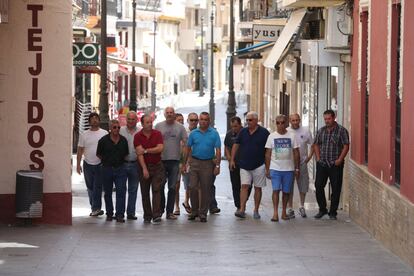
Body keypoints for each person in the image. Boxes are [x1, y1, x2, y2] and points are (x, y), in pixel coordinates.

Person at [182, 112, 221, 222]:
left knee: (205, 188)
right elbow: (188, 148)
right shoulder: (194, 133)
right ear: (199, 120)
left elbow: (218, 150)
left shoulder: (214, 133)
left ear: (209, 121)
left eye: (206, 119)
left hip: (208, 163)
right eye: (201, 119)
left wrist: (217, 165)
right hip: (195, 162)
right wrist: (184, 164)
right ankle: (194, 211)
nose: (203, 121)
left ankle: (203, 213)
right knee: (192, 186)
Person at [231, 111, 269, 219]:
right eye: (247, 120)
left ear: (256, 120)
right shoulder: (243, 132)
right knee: (244, 186)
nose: (248, 122)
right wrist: (232, 160)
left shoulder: (264, 132)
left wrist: (268, 166)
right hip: (244, 164)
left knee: (258, 188)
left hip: (259, 165)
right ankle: (242, 209)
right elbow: (236, 145)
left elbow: (269, 150)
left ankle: (256, 210)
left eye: (250, 120)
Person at [314, 109, 349, 220]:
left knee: (336, 188)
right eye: (325, 119)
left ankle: (333, 212)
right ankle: (322, 209)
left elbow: (346, 146)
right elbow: (316, 144)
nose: (327, 121)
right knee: (318, 186)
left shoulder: (342, 131)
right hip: (322, 163)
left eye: (329, 119)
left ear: (334, 118)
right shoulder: (321, 131)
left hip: (336, 164)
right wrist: (318, 158)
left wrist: (340, 159)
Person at [265, 115, 300, 221]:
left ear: (286, 124)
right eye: (278, 123)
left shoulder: (292, 135)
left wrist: (297, 168)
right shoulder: (271, 136)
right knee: (275, 190)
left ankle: (284, 212)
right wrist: (267, 169)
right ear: (275, 123)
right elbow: (268, 154)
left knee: (286, 192)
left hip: (288, 169)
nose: (280, 125)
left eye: (282, 122)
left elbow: (296, 153)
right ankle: (275, 213)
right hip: (275, 168)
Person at [155, 107, 188, 220]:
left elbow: (186, 144)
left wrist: (183, 162)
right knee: (160, 186)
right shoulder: (158, 126)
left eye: (171, 113)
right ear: (164, 114)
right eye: (167, 113)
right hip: (161, 161)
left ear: (174, 114)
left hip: (175, 161)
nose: (169, 114)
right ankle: (160, 210)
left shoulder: (180, 127)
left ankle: (170, 212)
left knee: (172, 187)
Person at [96, 119, 129, 222]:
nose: (117, 129)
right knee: (108, 193)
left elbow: (126, 153)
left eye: (118, 127)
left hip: (120, 168)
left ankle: (120, 214)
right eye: (114, 127)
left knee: (121, 192)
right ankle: (109, 213)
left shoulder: (123, 140)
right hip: (107, 169)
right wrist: (107, 161)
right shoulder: (103, 140)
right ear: (110, 128)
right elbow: (98, 154)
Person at [134, 114, 165, 224]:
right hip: (144, 166)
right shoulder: (137, 136)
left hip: (157, 166)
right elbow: (139, 153)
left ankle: (156, 214)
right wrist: (144, 169)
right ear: (142, 124)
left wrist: (146, 150)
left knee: (156, 190)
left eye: (151, 122)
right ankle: (147, 215)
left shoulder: (157, 134)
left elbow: (160, 148)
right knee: (145, 192)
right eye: (147, 122)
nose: (150, 124)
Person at [76, 112, 108, 216]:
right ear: (89, 121)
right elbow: (80, 150)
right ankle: (94, 207)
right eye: (92, 118)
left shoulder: (104, 133)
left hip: (100, 164)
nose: (94, 120)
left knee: (97, 187)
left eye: (96, 118)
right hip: (87, 164)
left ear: (99, 120)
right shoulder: (84, 134)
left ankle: (96, 208)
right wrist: (78, 164)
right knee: (90, 187)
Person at [286, 113, 314, 218]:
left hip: (302, 163)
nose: (295, 122)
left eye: (297, 120)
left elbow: (313, 144)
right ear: (290, 121)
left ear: (300, 120)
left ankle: (302, 206)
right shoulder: (287, 131)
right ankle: (290, 208)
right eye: (293, 120)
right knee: (289, 186)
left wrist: (309, 157)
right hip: (289, 163)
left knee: (303, 185)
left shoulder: (305, 131)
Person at [224, 116, 251, 213]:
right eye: (232, 126)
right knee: (235, 185)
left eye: (236, 126)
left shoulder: (246, 133)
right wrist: (229, 159)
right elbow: (226, 147)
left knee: (246, 185)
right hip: (234, 164)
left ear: (240, 125)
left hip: (245, 163)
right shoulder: (229, 134)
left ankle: (243, 201)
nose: (234, 128)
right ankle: (239, 205)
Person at [120, 111, 141, 220]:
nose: (131, 121)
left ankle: (131, 213)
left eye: (133, 119)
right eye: (129, 119)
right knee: (121, 189)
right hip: (122, 164)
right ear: (126, 120)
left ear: (136, 120)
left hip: (135, 164)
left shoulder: (140, 131)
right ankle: (120, 213)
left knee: (133, 189)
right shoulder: (120, 131)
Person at [180, 112, 199, 214]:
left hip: (198, 161)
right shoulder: (184, 132)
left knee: (196, 185)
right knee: (188, 185)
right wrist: (183, 162)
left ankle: (194, 206)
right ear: (187, 121)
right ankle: (187, 202)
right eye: (191, 120)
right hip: (186, 162)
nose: (194, 122)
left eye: (196, 120)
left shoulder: (201, 132)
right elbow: (182, 147)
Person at [173, 113, 185, 215]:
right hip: (173, 161)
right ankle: (176, 205)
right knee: (175, 186)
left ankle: (186, 202)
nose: (181, 122)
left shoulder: (185, 132)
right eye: (178, 120)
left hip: (183, 161)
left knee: (188, 185)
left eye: (182, 120)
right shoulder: (172, 132)